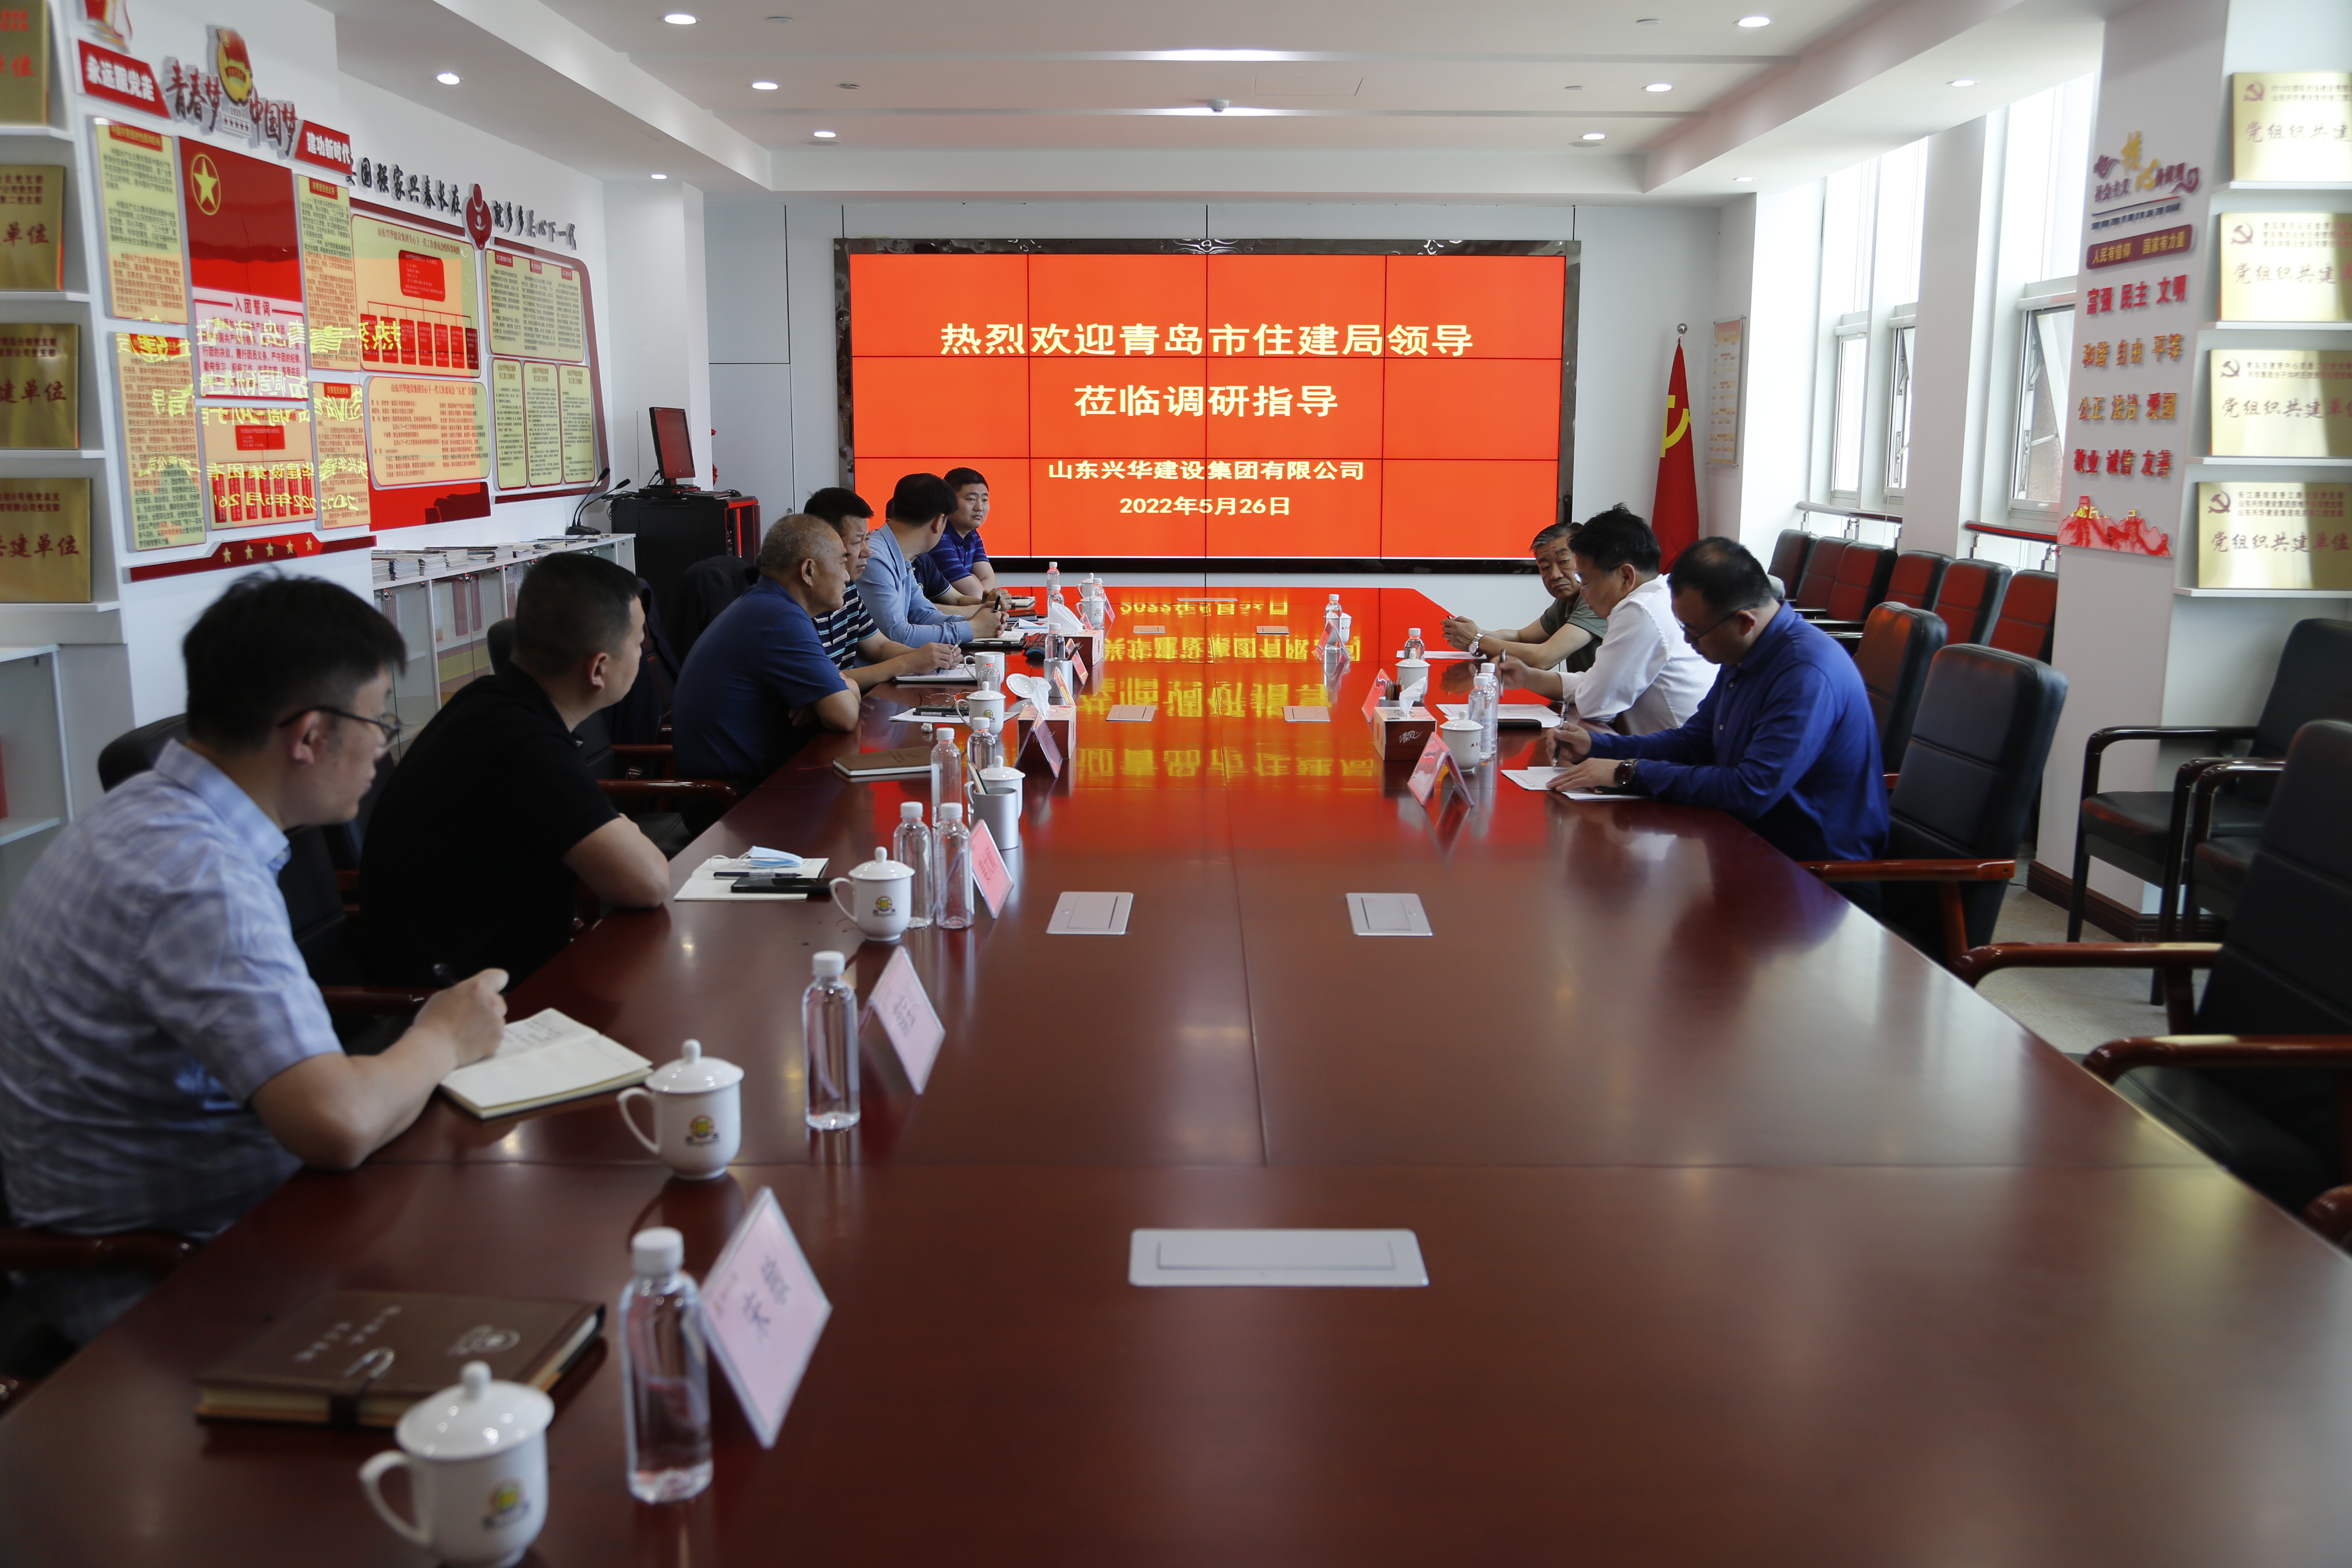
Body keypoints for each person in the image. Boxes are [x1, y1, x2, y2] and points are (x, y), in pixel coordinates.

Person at [0, 575, 508, 1341]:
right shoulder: (194, 876)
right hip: (168, 1280)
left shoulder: (147, 814)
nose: (382, 746)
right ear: (309, 736)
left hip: (239, 1222)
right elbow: (337, 1122)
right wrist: (444, 1034)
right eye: (377, 721)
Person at [362, 551, 671, 987]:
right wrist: (622, 830)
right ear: (599, 668)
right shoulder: (525, 744)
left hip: (490, 974)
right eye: (638, 642)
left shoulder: (487, 702)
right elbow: (648, 882)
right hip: (462, 1003)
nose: (642, 653)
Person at [1544, 537, 1888, 865]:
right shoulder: (1745, 649)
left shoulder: (1804, 672)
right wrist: (1598, 746)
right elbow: (1694, 742)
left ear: (1744, 622)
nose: (1688, 642)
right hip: (1743, 846)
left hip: (1811, 872)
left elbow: (1750, 790)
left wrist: (1628, 773)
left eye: (1694, 631)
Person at [671, 514, 862, 786]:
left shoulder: (766, 604)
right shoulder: (781, 618)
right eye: (842, 563)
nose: (847, 576)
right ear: (808, 571)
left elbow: (837, 706)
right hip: (735, 799)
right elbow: (845, 716)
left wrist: (827, 696)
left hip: (747, 782)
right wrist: (843, 687)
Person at [1499, 505, 1712, 736]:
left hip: (1677, 752)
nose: (1583, 592)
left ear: (1626, 576)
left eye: (1586, 580)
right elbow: (1598, 683)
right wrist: (1529, 677)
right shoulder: (1661, 593)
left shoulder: (1639, 610)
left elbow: (1596, 706)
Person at [813, 508, 963, 691]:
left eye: (867, 540)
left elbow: (879, 646)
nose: (867, 552)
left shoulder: (849, 588)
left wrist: (932, 657)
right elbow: (828, 683)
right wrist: (909, 662)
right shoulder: (798, 609)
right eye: (857, 542)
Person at [857, 473, 1006, 647]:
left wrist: (976, 621)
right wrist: (974, 629)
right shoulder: (875, 558)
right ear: (938, 522)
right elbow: (897, 635)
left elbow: (923, 615)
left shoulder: (901, 555)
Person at [1441, 521, 1607, 673]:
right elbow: (1521, 637)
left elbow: (1544, 658)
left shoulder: (1596, 599)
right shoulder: (1565, 603)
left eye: (1563, 561)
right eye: (1545, 567)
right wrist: (1476, 633)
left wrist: (1477, 641)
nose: (1555, 575)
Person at [924, 467, 999, 600]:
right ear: (949, 501)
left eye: (984, 500)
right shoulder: (938, 537)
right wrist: (975, 581)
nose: (979, 508)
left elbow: (988, 580)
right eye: (971, 499)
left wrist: (976, 583)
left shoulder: (972, 535)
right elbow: (975, 595)